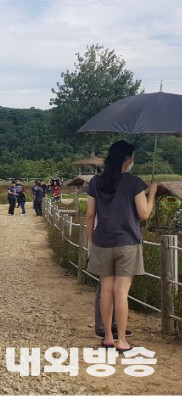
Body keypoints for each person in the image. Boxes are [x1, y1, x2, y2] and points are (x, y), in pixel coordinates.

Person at [85, 140, 156, 351]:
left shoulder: (96, 182)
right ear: (127, 159)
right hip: (127, 243)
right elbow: (144, 214)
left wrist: (91, 241)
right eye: (131, 157)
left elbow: (90, 214)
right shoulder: (134, 182)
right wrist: (151, 193)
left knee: (106, 291)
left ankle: (107, 337)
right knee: (121, 292)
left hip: (102, 242)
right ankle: (122, 340)